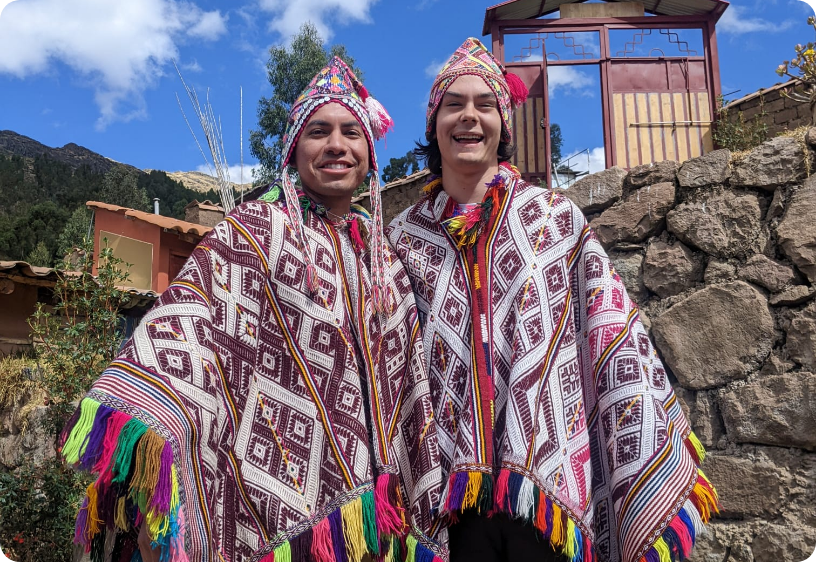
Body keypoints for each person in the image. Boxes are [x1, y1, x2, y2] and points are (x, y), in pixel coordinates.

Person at [61, 57, 446, 562]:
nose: (336, 145)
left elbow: (406, 379)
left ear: (370, 153)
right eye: (318, 132)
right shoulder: (256, 232)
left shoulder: (383, 256)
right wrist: (154, 421)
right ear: (293, 150)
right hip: (275, 509)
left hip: (376, 522)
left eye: (352, 132)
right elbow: (188, 322)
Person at [387, 38, 718, 562]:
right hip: (444, 493)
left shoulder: (556, 221)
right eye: (454, 104)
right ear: (434, 124)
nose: (469, 117)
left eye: (485, 104)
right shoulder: (400, 239)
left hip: (548, 483)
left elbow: (610, 331)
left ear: (504, 125)